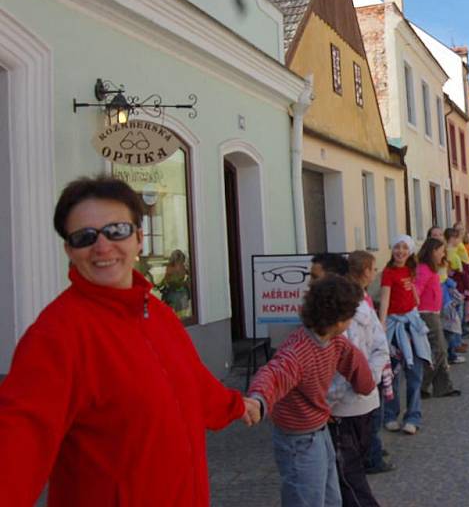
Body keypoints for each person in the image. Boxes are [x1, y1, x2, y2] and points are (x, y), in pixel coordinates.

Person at [0, 175, 260, 506]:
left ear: (139, 238)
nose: (102, 246)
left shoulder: (158, 313)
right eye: (84, 237)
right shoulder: (56, 336)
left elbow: (192, 383)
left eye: (116, 231)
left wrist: (237, 406)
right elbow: (18, 444)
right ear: (69, 250)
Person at [248, 275, 375, 507]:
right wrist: (258, 400)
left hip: (319, 431)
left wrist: (366, 384)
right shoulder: (298, 351)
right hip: (297, 441)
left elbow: (354, 360)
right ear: (339, 320)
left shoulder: (335, 342)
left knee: (331, 500)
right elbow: (273, 373)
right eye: (350, 316)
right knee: (306, 501)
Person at [327, 251, 390, 506]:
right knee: (351, 472)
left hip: (346, 409)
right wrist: (370, 381)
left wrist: (329, 401)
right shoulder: (362, 305)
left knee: (348, 475)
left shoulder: (345, 318)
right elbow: (380, 349)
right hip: (365, 404)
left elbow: (345, 369)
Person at [379, 235, 431, 435]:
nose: (400, 251)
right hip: (394, 327)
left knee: (415, 373)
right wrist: (382, 324)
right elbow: (385, 299)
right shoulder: (388, 272)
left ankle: (413, 417)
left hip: (411, 326)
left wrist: (416, 307)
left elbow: (413, 295)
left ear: (409, 251)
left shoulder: (410, 270)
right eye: (397, 247)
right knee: (392, 374)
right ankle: (391, 415)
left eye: (404, 248)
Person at [415, 238, 460, 399]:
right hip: (426, 313)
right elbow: (416, 291)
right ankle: (422, 385)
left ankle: (443, 387)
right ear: (433, 251)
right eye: (441, 251)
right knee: (439, 349)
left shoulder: (430, 268)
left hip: (433, 312)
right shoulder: (423, 269)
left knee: (439, 350)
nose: (443, 254)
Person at [157, 248, 191, 317]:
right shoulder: (171, 267)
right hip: (172, 294)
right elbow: (166, 279)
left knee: (180, 314)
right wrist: (160, 284)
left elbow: (170, 279)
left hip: (179, 295)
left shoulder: (181, 267)